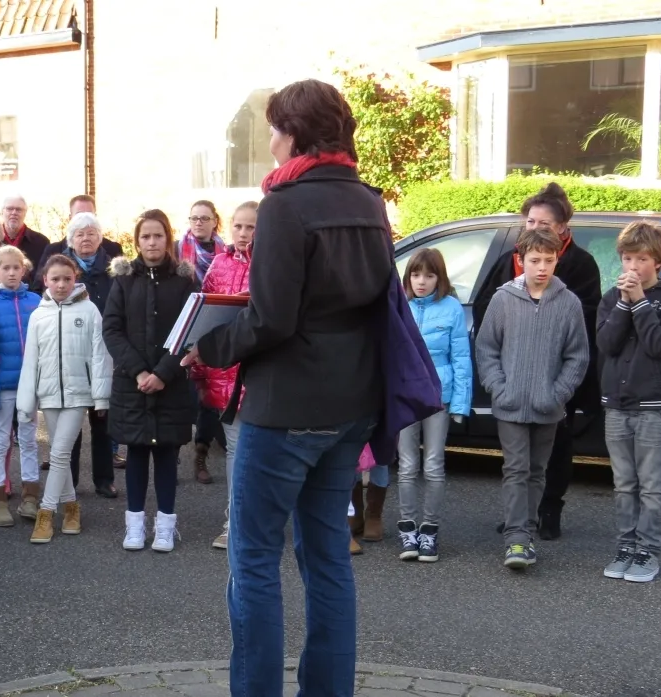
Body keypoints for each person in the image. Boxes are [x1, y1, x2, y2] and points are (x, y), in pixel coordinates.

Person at [181, 79, 392, 697]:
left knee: (252, 560)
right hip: (353, 401)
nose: (269, 139)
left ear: (295, 132)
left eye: (274, 127)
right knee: (327, 556)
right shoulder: (368, 201)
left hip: (287, 408)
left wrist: (209, 344)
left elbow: (272, 318)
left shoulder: (285, 206)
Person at [474, 183, 601, 540]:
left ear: (561, 228)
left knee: (553, 450)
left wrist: (560, 387)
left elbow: (584, 322)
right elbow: (487, 307)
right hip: (514, 374)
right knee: (516, 462)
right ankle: (519, 520)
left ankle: (549, 510)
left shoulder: (579, 264)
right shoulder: (509, 261)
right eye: (529, 221)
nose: (534, 228)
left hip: (555, 376)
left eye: (542, 222)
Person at [596, 221, 661, 583]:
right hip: (617, 402)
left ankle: (648, 552)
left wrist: (639, 302)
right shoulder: (611, 298)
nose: (633, 267)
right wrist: (624, 302)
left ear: (657, 262)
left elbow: (658, 345)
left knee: (651, 484)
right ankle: (625, 547)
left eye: (641, 259)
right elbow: (607, 345)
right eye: (627, 258)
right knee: (624, 483)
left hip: (654, 403)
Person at [104, 210, 198, 553]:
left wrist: (162, 373)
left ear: (168, 238)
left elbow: (191, 331)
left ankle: (165, 526)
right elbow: (112, 330)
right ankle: (134, 525)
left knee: (167, 457)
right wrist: (141, 372)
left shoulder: (185, 281)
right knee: (137, 454)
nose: (152, 242)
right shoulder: (124, 281)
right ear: (137, 241)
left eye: (158, 236)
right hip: (132, 383)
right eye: (146, 236)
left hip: (170, 384)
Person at [18, 254, 111, 544]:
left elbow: (100, 355)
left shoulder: (90, 310)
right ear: (45, 280)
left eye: (66, 279)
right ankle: (72, 508)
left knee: (58, 454)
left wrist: (101, 396)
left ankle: (46, 513)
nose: (61, 284)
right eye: (55, 279)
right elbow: (30, 360)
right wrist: (26, 402)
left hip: (78, 393)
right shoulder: (38, 315)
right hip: (48, 394)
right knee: (60, 454)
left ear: (75, 280)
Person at [396, 248, 472, 563]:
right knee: (407, 465)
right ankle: (407, 529)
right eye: (415, 274)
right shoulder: (399, 306)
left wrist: (460, 404)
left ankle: (429, 530)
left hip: (439, 395)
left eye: (429, 275)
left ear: (439, 278)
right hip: (404, 394)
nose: (422, 281)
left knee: (433, 464)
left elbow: (461, 357)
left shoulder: (452, 308)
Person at [191, 201, 257, 549]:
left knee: (262, 452)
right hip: (227, 372)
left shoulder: (274, 264)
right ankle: (233, 523)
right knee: (234, 449)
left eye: (252, 228)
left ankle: (256, 523)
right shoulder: (219, 263)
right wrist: (202, 372)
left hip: (262, 373)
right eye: (239, 227)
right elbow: (206, 321)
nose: (244, 234)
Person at [51, 212, 117, 498]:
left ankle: (104, 479)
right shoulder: (61, 269)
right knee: (71, 424)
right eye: (79, 234)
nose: (86, 238)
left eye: (91, 233)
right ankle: (71, 482)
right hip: (73, 355)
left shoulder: (114, 269)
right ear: (71, 240)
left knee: (102, 419)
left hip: (104, 352)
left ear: (100, 238)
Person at [0, 245, 42, 526]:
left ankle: (30, 497)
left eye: (17, 267)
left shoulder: (37, 301)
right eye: (6, 268)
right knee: (1, 440)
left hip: (30, 385)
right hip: (2, 385)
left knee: (28, 439)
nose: (12, 272)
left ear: (23, 269)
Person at [179, 200, 229, 484]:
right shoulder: (177, 250)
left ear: (215, 222)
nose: (198, 222)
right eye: (194, 217)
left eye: (204, 218)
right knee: (183, 395)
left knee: (208, 397)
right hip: (184, 329)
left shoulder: (226, 254)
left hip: (212, 326)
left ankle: (201, 453)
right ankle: (172, 457)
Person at [36, 195, 124, 270]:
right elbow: (40, 286)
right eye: (79, 215)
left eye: (89, 214)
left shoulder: (113, 249)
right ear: (70, 218)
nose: (84, 219)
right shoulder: (54, 250)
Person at [0, 196, 49, 285]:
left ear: (25, 213)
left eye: (19, 210)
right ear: (1, 212)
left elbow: (44, 275)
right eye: (9, 209)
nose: (14, 213)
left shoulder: (41, 242)